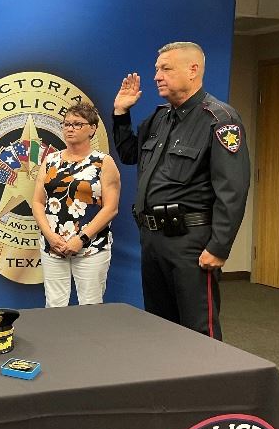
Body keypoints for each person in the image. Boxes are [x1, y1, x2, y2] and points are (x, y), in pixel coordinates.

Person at [112, 42, 250, 340]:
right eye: (156, 70)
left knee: (199, 330)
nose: (157, 76)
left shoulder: (220, 120)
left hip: (192, 243)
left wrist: (219, 246)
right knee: (160, 328)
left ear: (193, 70)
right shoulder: (160, 118)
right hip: (154, 241)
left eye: (166, 69)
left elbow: (233, 188)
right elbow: (128, 154)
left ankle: (208, 388)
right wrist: (121, 114)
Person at [32, 102, 120, 307]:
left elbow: (111, 208)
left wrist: (81, 239)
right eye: (66, 124)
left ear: (92, 128)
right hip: (53, 246)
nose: (70, 128)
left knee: (90, 306)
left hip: (91, 247)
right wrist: (50, 236)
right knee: (54, 305)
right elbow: (37, 202)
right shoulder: (51, 160)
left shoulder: (103, 162)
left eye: (77, 124)